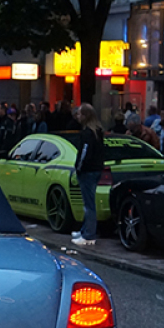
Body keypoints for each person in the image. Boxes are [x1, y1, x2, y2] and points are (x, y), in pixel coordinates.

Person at [71, 103, 104, 247]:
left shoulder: (87, 133)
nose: (77, 116)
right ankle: (85, 230)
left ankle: (88, 234)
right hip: (95, 169)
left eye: (79, 114)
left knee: (88, 204)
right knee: (88, 203)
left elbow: (84, 153)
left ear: (85, 116)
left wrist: (78, 167)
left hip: (87, 171)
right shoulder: (97, 131)